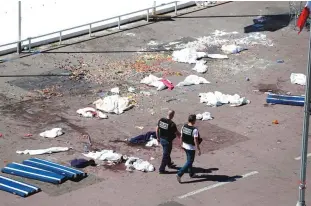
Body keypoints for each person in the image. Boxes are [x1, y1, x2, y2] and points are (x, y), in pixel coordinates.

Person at [177, 114, 202, 183]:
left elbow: (181, 136)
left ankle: (191, 173)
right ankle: (179, 174)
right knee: (189, 161)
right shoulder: (194, 130)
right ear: (194, 120)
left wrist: (181, 144)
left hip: (185, 145)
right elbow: (195, 140)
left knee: (189, 160)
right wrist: (198, 149)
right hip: (191, 148)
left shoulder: (184, 126)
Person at [156, 110, 181, 174]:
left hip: (161, 139)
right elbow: (177, 133)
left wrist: (158, 137)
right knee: (166, 154)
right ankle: (161, 169)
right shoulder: (172, 124)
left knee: (167, 152)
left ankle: (169, 163)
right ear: (172, 115)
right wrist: (182, 139)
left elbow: (157, 129)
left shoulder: (161, 120)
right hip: (167, 141)